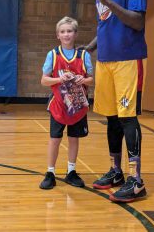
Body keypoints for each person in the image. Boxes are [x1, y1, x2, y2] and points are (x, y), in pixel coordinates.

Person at [87, 0, 148, 203]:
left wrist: (109, 0)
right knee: (111, 117)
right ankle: (116, 171)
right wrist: (90, 47)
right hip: (105, 61)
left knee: (127, 118)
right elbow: (106, 23)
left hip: (127, 60)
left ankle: (137, 181)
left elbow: (137, 22)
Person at [39, 16, 93, 190]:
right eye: (63, 31)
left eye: (69, 31)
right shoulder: (53, 55)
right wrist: (58, 79)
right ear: (58, 35)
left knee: (73, 138)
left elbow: (91, 79)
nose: (66, 34)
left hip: (77, 105)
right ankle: (50, 172)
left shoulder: (83, 55)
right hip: (59, 106)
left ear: (75, 34)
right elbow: (43, 81)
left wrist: (82, 80)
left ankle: (71, 171)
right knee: (55, 139)